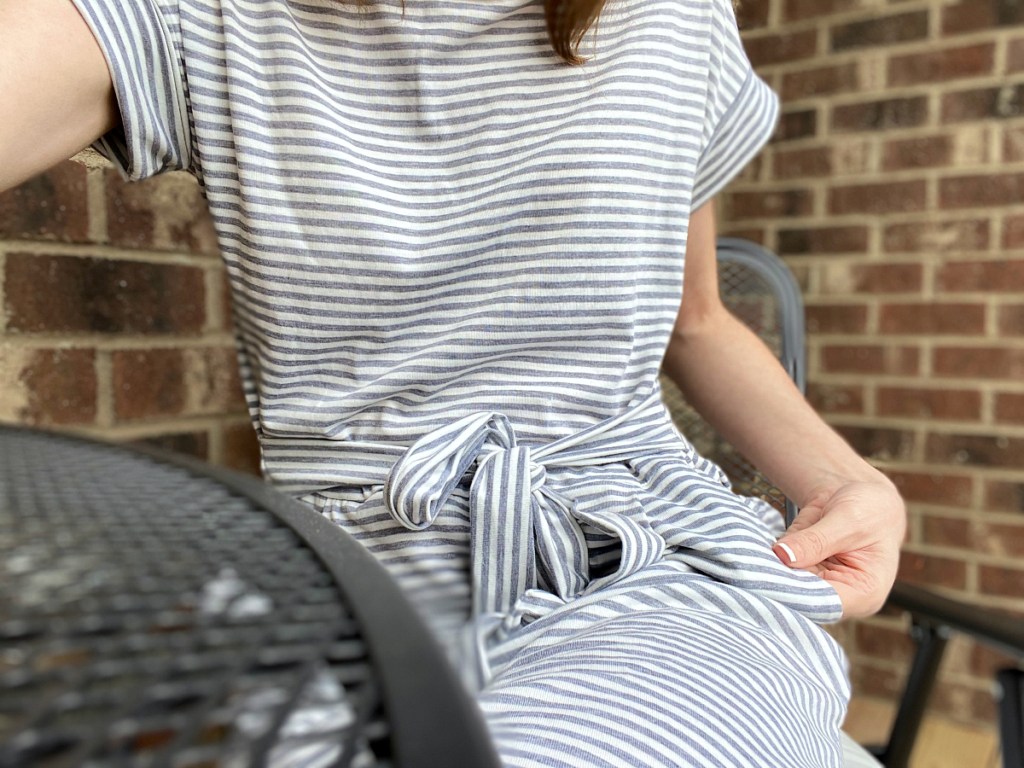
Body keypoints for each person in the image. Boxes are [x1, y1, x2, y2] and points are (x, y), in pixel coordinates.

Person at [1, 0, 905, 765]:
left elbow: (695, 317)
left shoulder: (672, 16)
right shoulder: (216, 16)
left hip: (627, 554)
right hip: (339, 593)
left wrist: (843, 479)